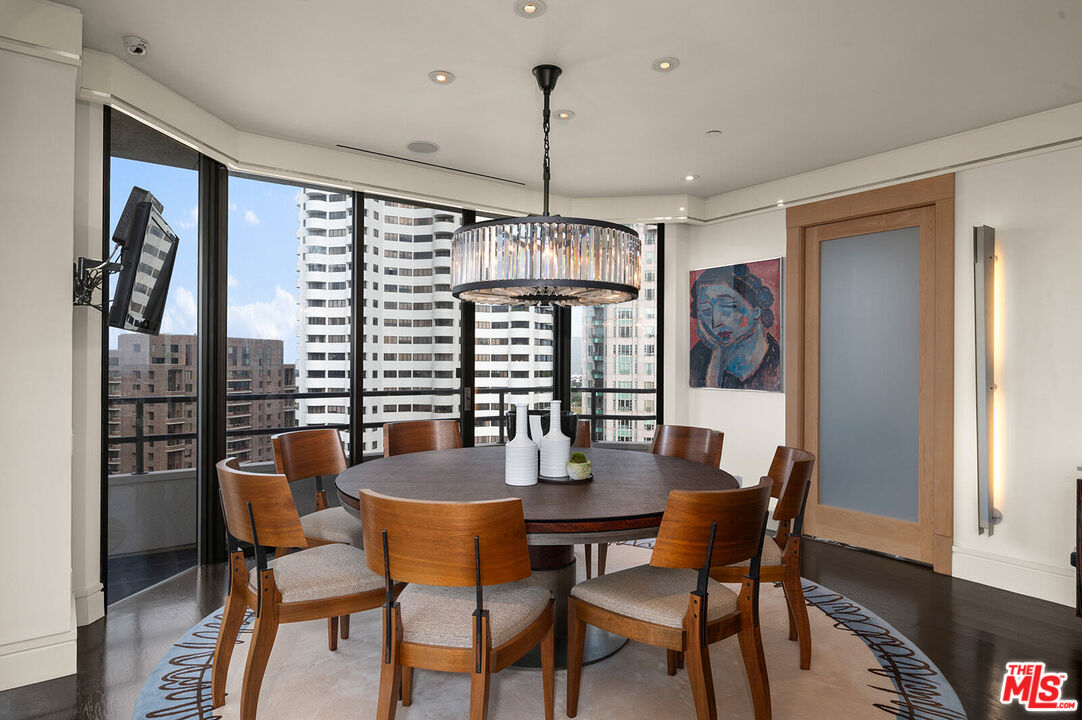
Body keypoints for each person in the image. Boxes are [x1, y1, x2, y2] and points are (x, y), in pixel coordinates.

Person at [689, 263, 780, 390]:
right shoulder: (697, 359)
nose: (716, 323)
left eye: (728, 307)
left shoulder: (778, 361)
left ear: (756, 310)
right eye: (706, 311)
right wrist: (717, 354)